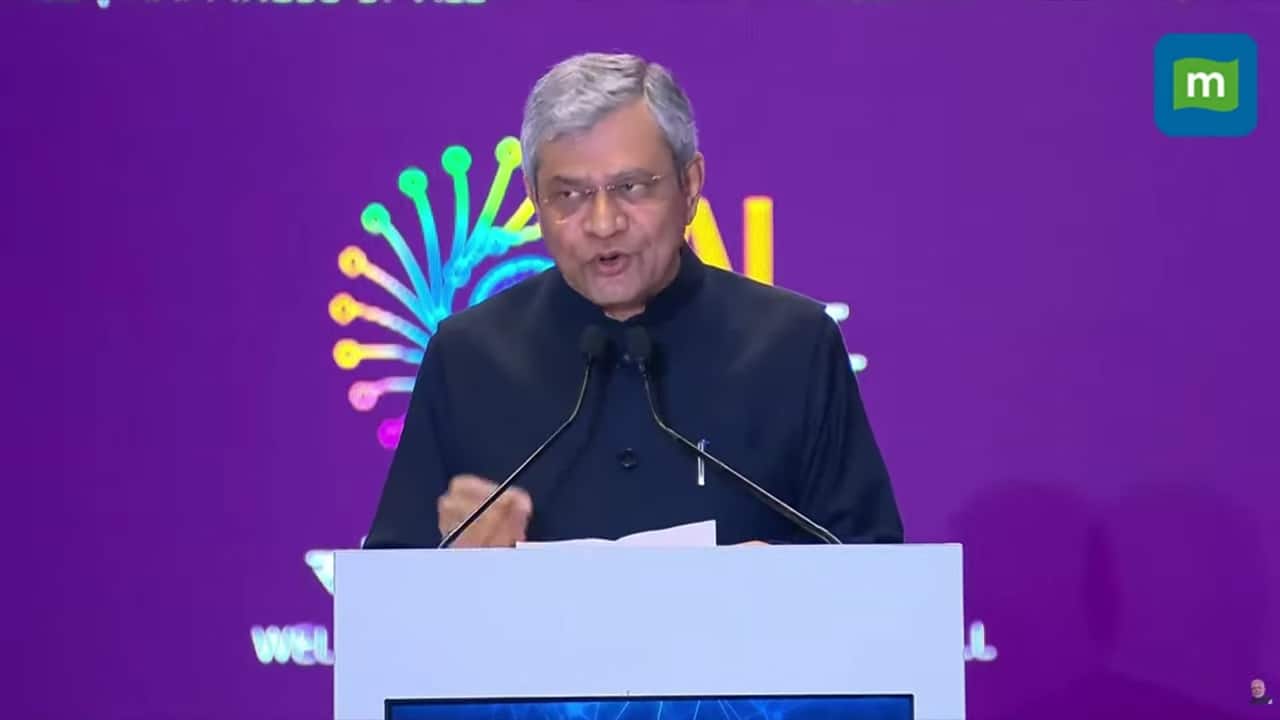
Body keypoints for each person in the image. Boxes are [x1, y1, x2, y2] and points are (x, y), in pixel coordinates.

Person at [363, 52, 903, 549]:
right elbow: (389, 591)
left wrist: (785, 577)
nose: (603, 224)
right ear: (533, 199)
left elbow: (873, 567)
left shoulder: (795, 345)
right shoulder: (467, 357)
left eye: (632, 188)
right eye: (569, 195)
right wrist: (450, 564)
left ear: (690, 185)